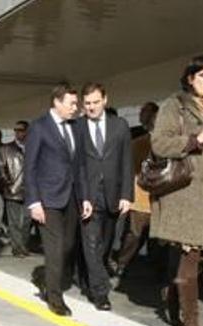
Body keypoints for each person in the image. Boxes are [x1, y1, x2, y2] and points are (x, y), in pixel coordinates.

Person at [150, 55, 203, 326]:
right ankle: (191, 321)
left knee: (190, 259)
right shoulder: (174, 105)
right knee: (190, 258)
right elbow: (159, 144)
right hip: (183, 194)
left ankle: (173, 304)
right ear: (190, 78)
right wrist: (199, 137)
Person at [24, 83, 93, 316]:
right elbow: (30, 167)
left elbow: (80, 166)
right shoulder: (39, 127)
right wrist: (34, 202)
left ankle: (48, 279)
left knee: (68, 247)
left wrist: (84, 198)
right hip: (48, 200)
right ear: (57, 102)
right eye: (72, 103)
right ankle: (55, 297)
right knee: (55, 249)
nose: (76, 107)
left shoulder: (75, 128)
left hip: (72, 198)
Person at [76, 82, 133, 311]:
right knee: (91, 243)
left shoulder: (120, 126)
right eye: (87, 103)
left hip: (112, 194)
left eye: (95, 102)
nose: (91, 107)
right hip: (87, 195)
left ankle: (86, 276)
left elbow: (127, 162)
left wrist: (127, 195)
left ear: (105, 100)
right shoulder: (76, 127)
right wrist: (81, 195)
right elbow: (75, 164)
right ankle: (100, 293)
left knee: (105, 245)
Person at [112, 102, 159, 277]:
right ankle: (121, 264)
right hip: (139, 197)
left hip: (158, 198)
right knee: (134, 235)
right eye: (142, 112)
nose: (142, 115)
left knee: (154, 239)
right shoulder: (136, 138)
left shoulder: (166, 142)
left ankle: (156, 272)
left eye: (146, 113)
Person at [0, 120, 31, 257]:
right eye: (16, 130)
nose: (18, 132)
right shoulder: (5, 149)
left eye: (21, 130)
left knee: (27, 222)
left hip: (31, 191)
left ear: (27, 131)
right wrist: (9, 184)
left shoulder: (34, 147)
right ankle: (17, 248)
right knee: (14, 222)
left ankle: (23, 245)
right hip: (13, 191)